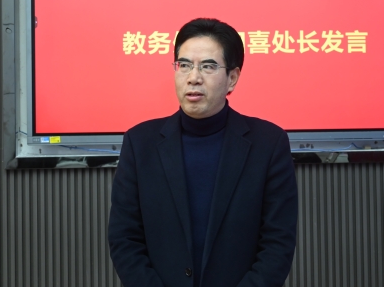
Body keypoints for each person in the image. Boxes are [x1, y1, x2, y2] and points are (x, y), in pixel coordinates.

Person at [108, 18, 298, 287]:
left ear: (232, 78)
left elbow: (277, 244)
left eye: (208, 66)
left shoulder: (268, 143)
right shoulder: (140, 143)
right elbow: (125, 239)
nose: (193, 77)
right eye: (184, 65)